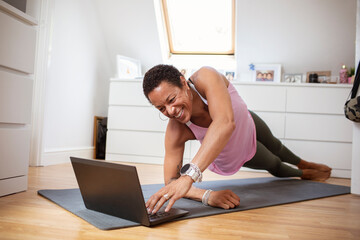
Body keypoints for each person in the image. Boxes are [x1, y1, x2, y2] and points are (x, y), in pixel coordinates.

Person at [142, 64, 331, 215]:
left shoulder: (205, 76)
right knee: (274, 163)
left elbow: (224, 121)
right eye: (161, 109)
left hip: (246, 119)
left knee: (276, 145)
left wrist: (189, 176)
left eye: (171, 99)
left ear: (183, 83)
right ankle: (302, 173)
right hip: (236, 149)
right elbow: (171, 182)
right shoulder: (177, 130)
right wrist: (206, 195)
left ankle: (305, 163)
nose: (171, 111)